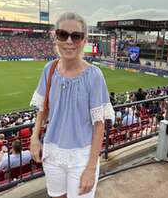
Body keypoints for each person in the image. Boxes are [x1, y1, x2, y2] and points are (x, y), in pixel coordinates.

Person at [30, 12, 114, 198]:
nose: (69, 41)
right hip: (53, 153)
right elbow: (43, 109)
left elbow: (99, 125)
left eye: (76, 36)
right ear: (56, 38)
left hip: (81, 158)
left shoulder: (94, 75)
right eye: (63, 34)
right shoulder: (49, 69)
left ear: (84, 41)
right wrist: (35, 137)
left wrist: (91, 167)